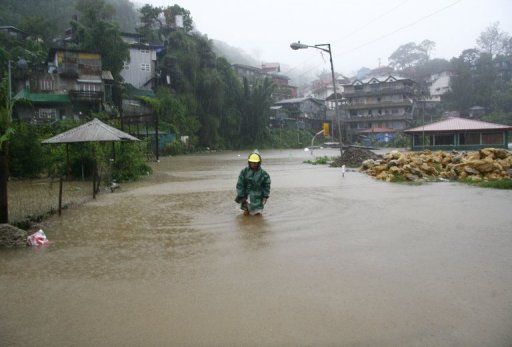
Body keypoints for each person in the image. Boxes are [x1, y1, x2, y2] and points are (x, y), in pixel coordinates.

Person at [235, 150, 271, 215]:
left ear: (259, 163)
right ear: (249, 162)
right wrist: (241, 195)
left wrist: (265, 196)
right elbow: (240, 184)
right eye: (252, 162)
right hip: (246, 195)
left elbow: (267, 185)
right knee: (246, 213)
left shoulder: (263, 174)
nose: (253, 164)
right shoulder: (244, 171)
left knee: (258, 213)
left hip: (258, 196)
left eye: (255, 163)